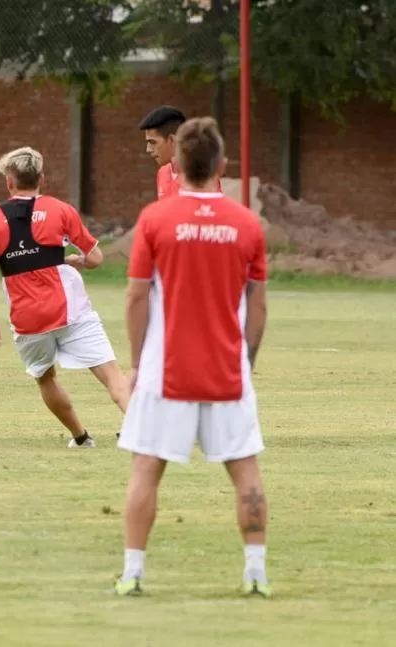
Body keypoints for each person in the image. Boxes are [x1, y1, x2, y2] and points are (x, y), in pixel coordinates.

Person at [114, 117, 270, 598]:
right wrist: (245, 361)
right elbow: (258, 304)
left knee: (146, 469)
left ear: (178, 164)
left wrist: (139, 363)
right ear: (222, 165)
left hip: (167, 371)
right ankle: (256, 574)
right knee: (246, 472)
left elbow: (136, 298)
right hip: (227, 371)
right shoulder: (247, 223)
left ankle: (133, 574)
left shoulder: (155, 220)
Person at [0, 147, 131, 448]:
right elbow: (95, 258)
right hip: (71, 310)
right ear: (42, 179)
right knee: (111, 374)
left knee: (45, 378)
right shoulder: (62, 210)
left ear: (10, 182)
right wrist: (73, 260)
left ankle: (81, 438)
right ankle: (142, 431)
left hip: (28, 318)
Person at [138, 105, 222, 199]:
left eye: (153, 142)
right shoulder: (163, 173)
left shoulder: (198, 175)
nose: (148, 149)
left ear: (172, 140)